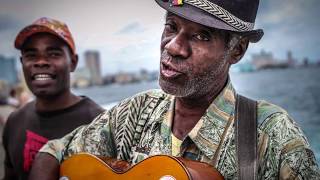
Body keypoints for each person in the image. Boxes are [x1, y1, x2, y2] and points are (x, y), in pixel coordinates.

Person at [30, 0, 320, 179]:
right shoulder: (134, 112)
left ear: (237, 51)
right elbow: (53, 151)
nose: (173, 46)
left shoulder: (272, 136)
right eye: (171, 26)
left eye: (201, 36)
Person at [2, 17, 104, 180]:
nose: (41, 62)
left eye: (53, 53)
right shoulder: (15, 121)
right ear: (22, 63)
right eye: (31, 54)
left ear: (73, 62)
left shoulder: (101, 124)